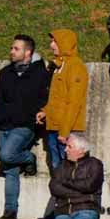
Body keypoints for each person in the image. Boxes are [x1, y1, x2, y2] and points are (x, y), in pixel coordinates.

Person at [0, 35, 51, 219]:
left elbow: (46, 99)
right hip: (4, 126)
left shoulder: (41, 73)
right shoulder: (6, 72)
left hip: (25, 126)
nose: (11, 51)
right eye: (12, 48)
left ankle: (30, 157)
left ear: (27, 52)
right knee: (10, 170)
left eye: (16, 49)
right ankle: (10, 212)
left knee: (6, 155)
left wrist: (41, 113)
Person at [37, 29, 88, 172]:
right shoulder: (60, 66)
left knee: (69, 169)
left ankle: (69, 195)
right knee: (56, 168)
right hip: (54, 127)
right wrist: (46, 112)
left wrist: (64, 132)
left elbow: (73, 102)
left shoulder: (75, 67)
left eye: (55, 41)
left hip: (67, 130)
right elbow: (58, 97)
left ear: (64, 43)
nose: (51, 44)